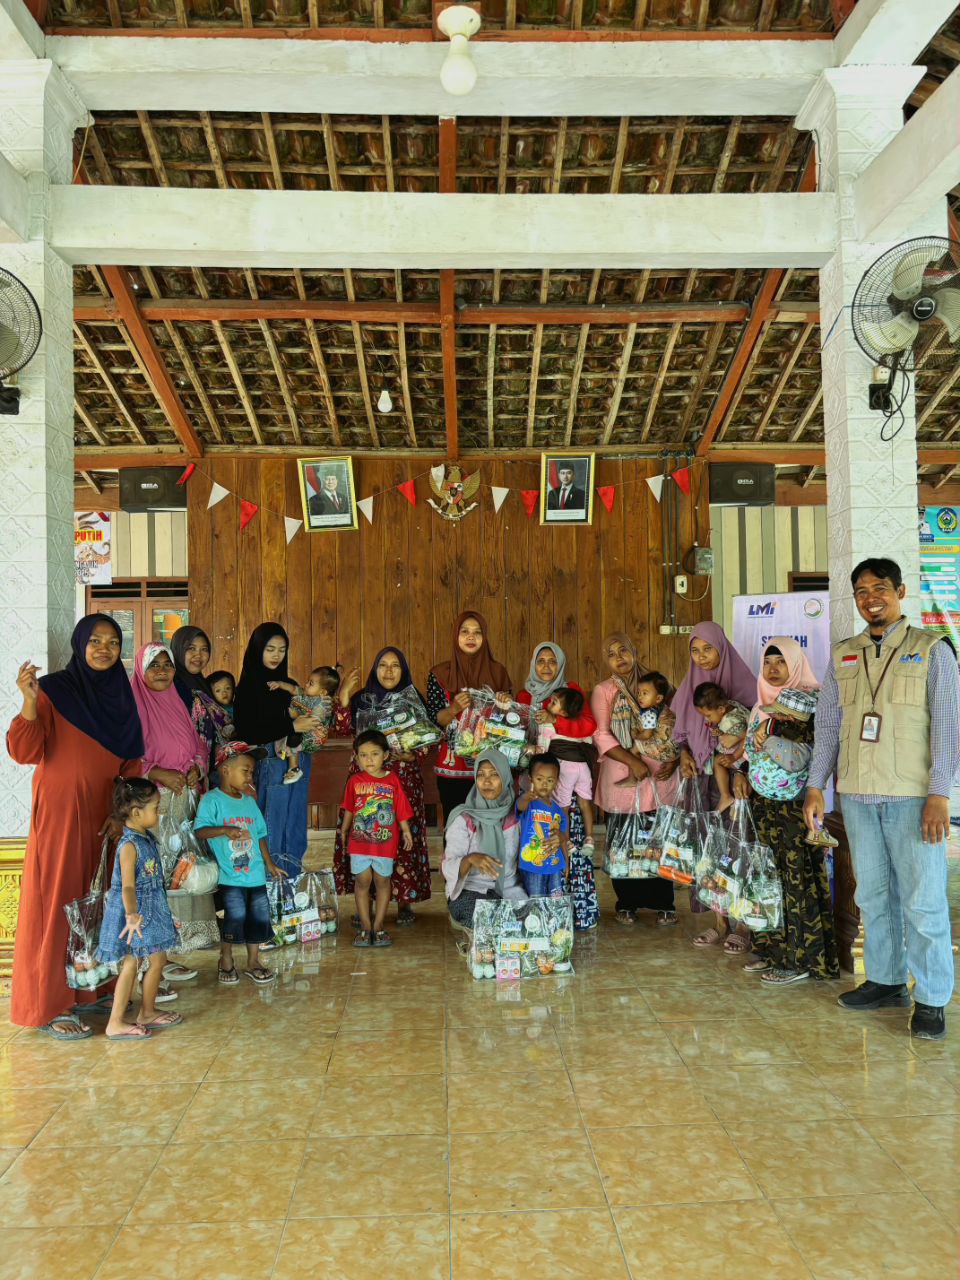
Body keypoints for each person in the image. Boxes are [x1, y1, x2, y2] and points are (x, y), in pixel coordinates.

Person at [805, 557, 960, 1040]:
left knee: (923, 899)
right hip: (856, 795)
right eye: (861, 591)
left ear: (900, 591)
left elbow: (949, 727)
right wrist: (816, 784)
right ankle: (887, 979)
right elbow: (828, 725)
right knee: (872, 894)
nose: (871, 598)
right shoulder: (844, 654)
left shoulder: (932, 649)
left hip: (914, 798)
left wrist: (940, 794)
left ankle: (932, 997)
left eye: (880, 588)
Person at [7, 615, 144, 1039]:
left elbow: (132, 765)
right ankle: (48, 1004)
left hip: (106, 819)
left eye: (113, 642)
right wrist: (29, 701)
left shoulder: (122, 698)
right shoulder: (54, 690)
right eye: (95, 641)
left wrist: (122, 814)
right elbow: (24, 751)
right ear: (79, 644)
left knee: (99, 903)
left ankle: (93, 988)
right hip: (62, 816)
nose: (103, 649)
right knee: (58, 904)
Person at [732, 639, 838, 986]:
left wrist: (775, 731)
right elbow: (749, 754)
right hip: (764, 807)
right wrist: (741, 775)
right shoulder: (759, 707)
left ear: (795, 665)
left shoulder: (813, 703)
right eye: (768, 662)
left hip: (796, 808)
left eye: (781, 662)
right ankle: (774, 951)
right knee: (768, 879)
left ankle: (802, 959)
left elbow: (817, 748)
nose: (774, 669)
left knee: (796, 880)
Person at [671, 621, 758, 951]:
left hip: (737, 779)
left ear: (722, 647)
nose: (702, 656)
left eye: (708, 649)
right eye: (695, 650)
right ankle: (719, 921)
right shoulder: (689, 687)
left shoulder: (745, 685)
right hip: (701, 781)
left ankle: (745, 924)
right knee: (709, 851)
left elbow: (756, 735)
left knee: (739, 849)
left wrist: (741, 770)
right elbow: (682, 734)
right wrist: (682, 755)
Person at [333, 648, 434, 925]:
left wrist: (413, 755)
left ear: (404, 671)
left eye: (395, 666)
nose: (389, 671)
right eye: (383, 665)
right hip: (365, 785)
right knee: (366, 836)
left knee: (402, 836)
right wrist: (343, 697)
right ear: (375, 669)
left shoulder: (414, 700)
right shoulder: (361, 700)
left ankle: (404, 902)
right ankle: (364, 902)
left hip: (403, 781)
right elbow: (342, 731)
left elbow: (426, 741)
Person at [131, 642, 212, 984]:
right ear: (140, 670)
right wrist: (155, 772)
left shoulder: (178, 702)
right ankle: (149, 964)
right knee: (154, 877)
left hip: (182, 804)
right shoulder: (134, 706)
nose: (163, 671)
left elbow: (197, 745)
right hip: (153, 806)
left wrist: (195, 767)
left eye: (167, 664)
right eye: (154, 666)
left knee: (180, 875)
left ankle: (170, 952)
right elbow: (128, 755)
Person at [591, 635, 680, 925]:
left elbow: (679, 726)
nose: (619, 658)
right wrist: (633, 761)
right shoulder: (604, 691)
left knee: (658, 839)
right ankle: (626, 901)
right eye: (611, 653)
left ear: (634, 651)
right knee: (625, 844)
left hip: (660, 773)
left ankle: (663, 901)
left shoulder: (658, 684)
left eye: (624, 650)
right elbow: (601, 733)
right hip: (623, 771)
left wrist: (674, 759)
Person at [232, 623, 323, 881]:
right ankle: (271, 890)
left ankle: (290, 888)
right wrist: (291, 725)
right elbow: (247, 730)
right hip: (271, 762)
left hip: (298, 760)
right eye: (269, 649)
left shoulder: (288, 685)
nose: (276, 655)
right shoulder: (248, 686)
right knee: (273, 823)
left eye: (282, 650)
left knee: (294, 824)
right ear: (257, 649)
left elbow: (312, 710)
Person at [518, 642, 599, 930]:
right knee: (537, 849)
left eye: (553, 661)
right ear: (533, 664)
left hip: (566, 786)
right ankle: (535, 919)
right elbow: (517, 731)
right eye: (541, 660)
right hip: (536, 785)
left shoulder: (571, 692)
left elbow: (588, 727)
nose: (547, 666)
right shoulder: (525, 696)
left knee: (569, 849)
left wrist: (555, 721)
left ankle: (577, 916)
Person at [97, 777, 181, 1041]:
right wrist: (132, 915)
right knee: (131, 964)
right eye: (156, 807)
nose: (160, 812)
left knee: (158, 959)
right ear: (136, 813)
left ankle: (147, 1011)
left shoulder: (146, 838)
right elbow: (128, 888)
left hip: (151, 911)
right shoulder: (129, 846)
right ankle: (115, 1023)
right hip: (135, 915)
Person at [194, 741, 284, 986]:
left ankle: (253, 961)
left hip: (255, 874)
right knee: (234, 918)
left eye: (251, 771)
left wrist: (269, 864)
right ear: (225, 770)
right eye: (245, 770)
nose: (249, 776)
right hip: (229, 876)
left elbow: (260, 834)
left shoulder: (249, 802)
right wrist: (225, 830)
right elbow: (200, 831)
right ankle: (226, 957)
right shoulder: (211, 800)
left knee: (258, 917)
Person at [427, 611, 513, 818]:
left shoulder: (498, 673)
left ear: (485, 638)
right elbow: (433, 721)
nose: (471, 637)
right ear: (456, 636)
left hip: (491, 768)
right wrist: (453, 709)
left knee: (490, 826)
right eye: (464, 631)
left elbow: (511, 724)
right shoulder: (439, 674)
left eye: (477, 632)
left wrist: (504, 708)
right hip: (452, 769)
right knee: (456, 825)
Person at [340, 730, 414, 949]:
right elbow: (349, 809)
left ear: (386, 756)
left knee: (382, 882)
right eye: (363, 755)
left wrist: (406, 830)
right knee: (362, 882)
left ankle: (379, 927)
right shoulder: (355, 781)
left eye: (374, 754)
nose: (368, 759)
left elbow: (400, 808)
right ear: (356, 757)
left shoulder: (393, 780)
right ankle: (365, 927)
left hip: (385, 843)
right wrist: (344, 831)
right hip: (360, 841)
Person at [442, 749, 527, 930]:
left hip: (509, 889)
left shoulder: (517, 815)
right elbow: (447, 866)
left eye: (494, 774)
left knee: (532, 923)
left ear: (505, 777)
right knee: (488, 922)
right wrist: (470, 859)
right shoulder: (463, 817)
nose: (486, 781)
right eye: (481, 775)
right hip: (471, 890)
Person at [170, 626, 233, 769]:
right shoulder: (171, 685)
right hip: (181, 768)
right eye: (191, 648)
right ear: (179, 649)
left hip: (204, 768)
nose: (198, 655)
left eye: (204, 649)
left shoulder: (203, 685)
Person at [275, 665, 340, 785]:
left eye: (311, 683)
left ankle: (294, 768)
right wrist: (279, 684)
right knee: (291, 732)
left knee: (293, 735)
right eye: (307, 681)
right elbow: (294, 689)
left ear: (323, 692)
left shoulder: (323, 703)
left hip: (314, 737)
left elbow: (313, 721)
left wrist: (295, 716)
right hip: (305, 732)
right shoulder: (307, 696)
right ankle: (287, 754)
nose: (306, 685)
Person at [692, 681, 750, 813]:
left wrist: (733, 757)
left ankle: (725, 796)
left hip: (744, 756)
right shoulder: (732, 705)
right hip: (744, 754)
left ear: (721, 709)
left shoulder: (730, 721)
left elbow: (746, 737)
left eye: (708, 716)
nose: (707, 720)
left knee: (717, 762)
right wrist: (721, 732)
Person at [517, 753, 569, 897]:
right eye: (539, 779)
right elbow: (519, 806)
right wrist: (525, 796)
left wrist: (566, 862)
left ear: (557, 782)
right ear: (531, 779)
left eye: (550, 780)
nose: (544, 784)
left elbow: (563, 838)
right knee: (536, 901)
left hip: (555, 865)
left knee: (556, 901)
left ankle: (553, 921)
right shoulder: (528, 804)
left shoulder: (559, 811)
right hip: (532, 865)